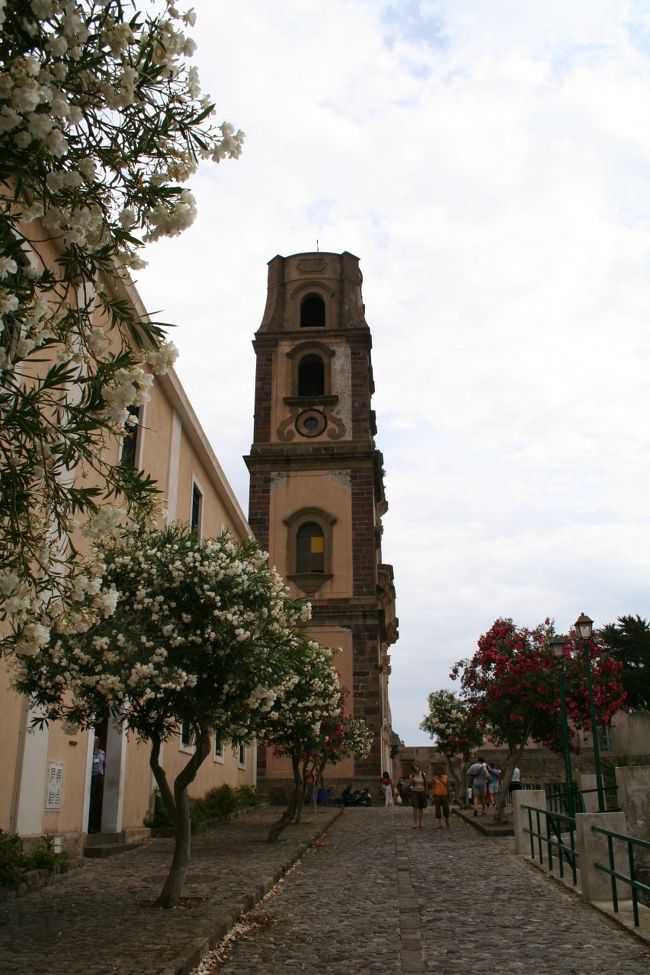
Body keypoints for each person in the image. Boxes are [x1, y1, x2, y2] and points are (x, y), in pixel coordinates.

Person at [88, 737, 105, 833]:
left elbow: (103, 764)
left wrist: (102, 774)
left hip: (99, 777)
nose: (97, 743)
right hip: (92, 777)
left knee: (97, 802)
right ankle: (90, 826)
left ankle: (94, 825)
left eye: (98, 741)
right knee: (92, 801)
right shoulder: (90, 753)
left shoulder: (102, 753)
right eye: (96, 741)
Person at [408, 762, 428, 828]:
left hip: (422, 791)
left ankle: (421, 823)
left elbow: (426, 783)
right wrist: (412, 781)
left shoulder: (423, 774)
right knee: (415, 808)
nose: (416, 768)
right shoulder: (412, 776)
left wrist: (426, 791)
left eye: (416, 767)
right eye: (414, 768)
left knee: (421, 808)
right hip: (415, 792)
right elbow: (410, 784)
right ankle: (415, 823)